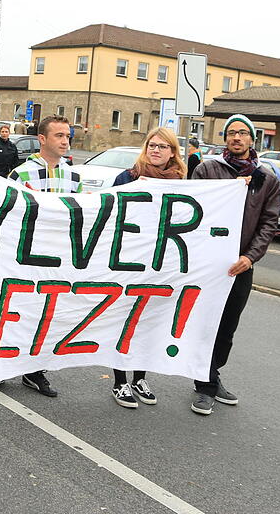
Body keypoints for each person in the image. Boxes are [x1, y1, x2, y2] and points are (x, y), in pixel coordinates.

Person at [0, 116, 82, 397]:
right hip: (25, 256)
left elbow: (80, 216)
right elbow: (7, 212)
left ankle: (34, 370)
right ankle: (1, 367)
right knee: (15, 311)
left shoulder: (74, 176)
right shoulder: (21, 174)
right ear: (42, 139)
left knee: (45, 315)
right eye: (59, 135)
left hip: (57, 257)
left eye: (68, 136)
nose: (65, 141)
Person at [189, 114, 280, 415]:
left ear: (253, 139)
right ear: (225, 138)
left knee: (227, 326)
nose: (236, 138)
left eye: (242, 133)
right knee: (206, 323)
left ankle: (212, 373)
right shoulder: (207, 169)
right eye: (231, 133)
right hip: (208, 264)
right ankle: (204, 386)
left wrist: (250, 257)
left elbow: (268, 223)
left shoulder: (266, 178)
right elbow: (194, 210)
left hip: (241, 265)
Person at [109, 126, 186, 408]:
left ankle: (139, 377)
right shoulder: (127, 177)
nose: (155, 150)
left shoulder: (180, 182)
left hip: (160, 264)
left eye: (162, 147)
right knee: (123, 321)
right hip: (128, 262)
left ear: (172, 153)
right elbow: (109, 213)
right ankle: (119, 380)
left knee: (149, 322)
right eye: (151, 145)